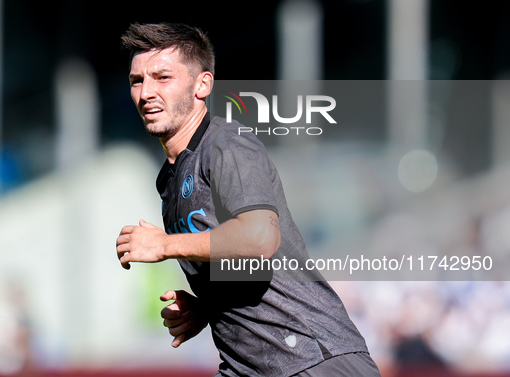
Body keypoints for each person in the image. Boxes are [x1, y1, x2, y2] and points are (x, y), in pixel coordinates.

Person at [117, 22, 381, 376]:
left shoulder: (228, 146)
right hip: (251, 367)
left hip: (310, 359)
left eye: (162, 77)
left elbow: (259, 239)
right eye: (138, 81)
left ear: (202, 85)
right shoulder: (171, 178)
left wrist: (165, 245)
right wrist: (208, 308)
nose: (146, 92)